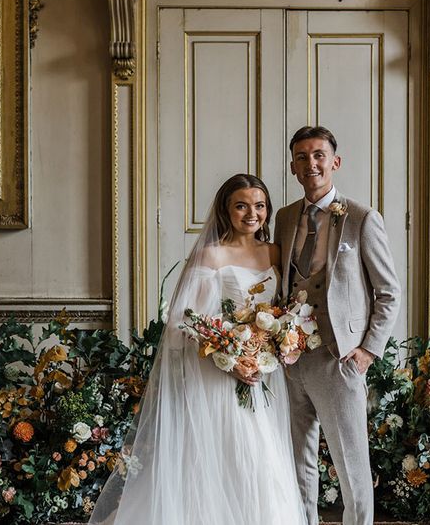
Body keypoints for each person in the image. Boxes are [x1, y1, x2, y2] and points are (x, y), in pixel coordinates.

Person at [89, 173, 307, 525]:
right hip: (220, 375)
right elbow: (182, 321)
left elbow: (281, 308)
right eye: (241, 206)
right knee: (227, 455)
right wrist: (230, 355)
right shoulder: (212, 256)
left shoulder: (274, 252)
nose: (252, 214)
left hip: (264, 373)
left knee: (265, 456)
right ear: (226, 210)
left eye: (260, 206)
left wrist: (276, 342)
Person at [275, 125, 401, 525]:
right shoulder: (284, 217)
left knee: (351, 465)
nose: (310, 163)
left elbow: (389, 292)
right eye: (301, 157)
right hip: (291, 360)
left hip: (339, 359)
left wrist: (367, 351)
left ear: (334, 162)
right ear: (293, 167)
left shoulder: (362, 218)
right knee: (298, 462)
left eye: (318, 155)